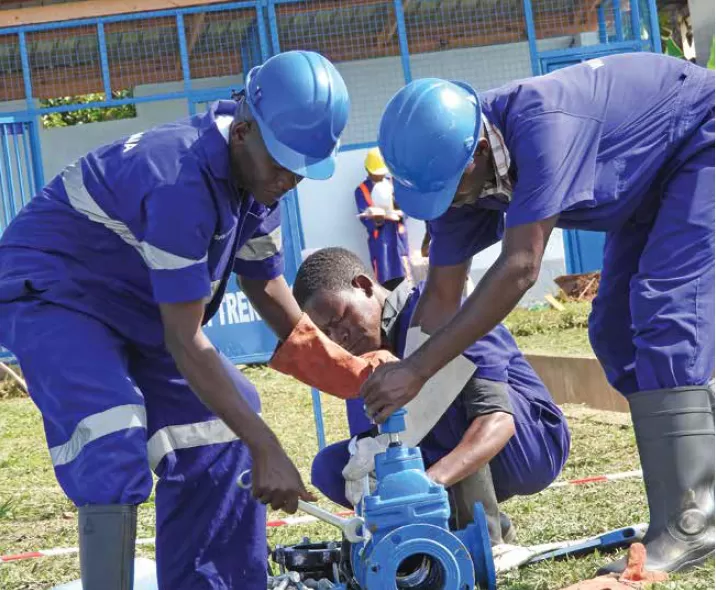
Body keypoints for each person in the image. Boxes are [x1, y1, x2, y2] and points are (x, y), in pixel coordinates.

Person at [0, 51, 390, 590]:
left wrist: (353, 374)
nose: (290, 178)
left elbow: (267, 289)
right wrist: (267, 447)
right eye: (283, 163)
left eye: (302, 167)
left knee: (225, 427)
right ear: (243, 132)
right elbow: (185, 340)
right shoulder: (179, 180)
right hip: (56, 293)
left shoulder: (259, 183)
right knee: (111, 434)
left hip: (132, 305)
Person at [361, 53, 715, 574]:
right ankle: (676, 508)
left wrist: (417, 370)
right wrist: (405, 404)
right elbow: (440, 297)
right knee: (615, 331)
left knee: (666, 311)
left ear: (480, 151)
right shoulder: (457, 179)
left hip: (698, 140)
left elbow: (521, 267)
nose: (449, 205)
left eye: (450, 190)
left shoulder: (541, 124)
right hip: (645, 184)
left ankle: (691, 522)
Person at [292, 247, 571, 545]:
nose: (339, 338)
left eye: (339, 320)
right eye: (327, 333)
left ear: (363, 286)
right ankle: (438, 530)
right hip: (454, 458)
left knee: (440, 388)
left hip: (528, 445)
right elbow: (376, 452)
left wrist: (425, 486)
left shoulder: (439, 308)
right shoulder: (361, 358)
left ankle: (487, 539)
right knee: (331, 468)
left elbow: (498, 419)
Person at [355, 147, 411, 290]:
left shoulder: (394, 184)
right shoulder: (361, 190)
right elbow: (365, 219)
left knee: (405, 282)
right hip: (380, 244)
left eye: (381, 174)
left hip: (398, 241)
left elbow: (407, 210)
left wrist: (397, 209)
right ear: (368, 171)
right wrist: (377, 219)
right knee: (385, 283)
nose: (379, 177)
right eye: (376, 174)